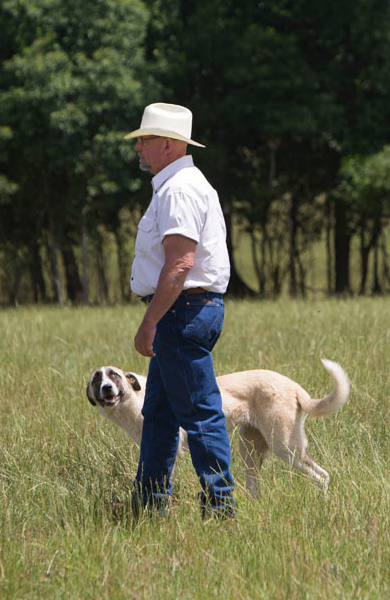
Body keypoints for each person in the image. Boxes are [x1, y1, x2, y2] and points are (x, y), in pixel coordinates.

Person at [123, 102, 235, 519]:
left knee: (201, 415)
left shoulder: (179, 189)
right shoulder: (178, 185)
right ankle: (149, 506)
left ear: (168, 145)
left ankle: (221, 511)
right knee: (159, 416)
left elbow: (180, 263)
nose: (139, 149)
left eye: (145, 140)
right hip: (184, 310)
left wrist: (150, 321)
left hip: (180, 312)